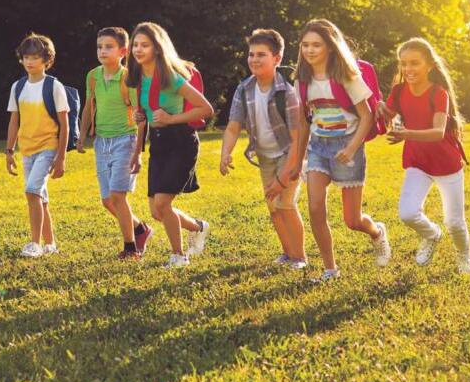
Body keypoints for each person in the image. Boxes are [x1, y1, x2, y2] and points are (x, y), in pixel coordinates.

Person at [294, 19, 391, 282]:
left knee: (353, 220)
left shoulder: (346, 75)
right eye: (305, 45)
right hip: (318, 147)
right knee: (315, 207)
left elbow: (367, 116)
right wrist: (298, 159)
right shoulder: (302, 80)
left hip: (348, 146)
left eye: (316, 45)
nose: (310, 50)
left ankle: (377, 232)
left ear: (330, 47)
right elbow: (303, 122)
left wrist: (351, 148)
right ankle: (330, 269)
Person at [378, 37, 470, 273]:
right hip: (418, 162)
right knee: (408, 213)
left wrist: (406, 133)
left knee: (454, 222)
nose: (408, 69)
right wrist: (379, 107)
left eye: (414, 63)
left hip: (447, 164)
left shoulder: (439, 93)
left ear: (429, 65)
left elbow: (438, 132)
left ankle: (464, 256)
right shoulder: (399, 91)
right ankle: (432, 234)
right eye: (404, 64)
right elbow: (388, 116)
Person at [126, 22, 214, 267]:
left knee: (163, 204)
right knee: (157, 211)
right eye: (135, 45)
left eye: (145, 45)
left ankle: (178, 256)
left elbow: (205, 108)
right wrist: (137, 153)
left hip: (181, 142)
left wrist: (171, 118)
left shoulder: (171, 77)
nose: (138, 49)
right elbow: (144, 119)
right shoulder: (138, 78)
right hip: (158, 144)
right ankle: (198, 227)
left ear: (157, 48)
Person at [220, 29, 307, 270]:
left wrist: (284, 176)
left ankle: (300, 257)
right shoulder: (244, 88)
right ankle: (287, 253)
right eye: (251, 54)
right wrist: (225, 153)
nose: (254, 59)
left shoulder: (287, 93)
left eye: (261, 55)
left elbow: (297, 140)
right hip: (265, 156)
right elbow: (233, 126)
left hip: (289, 154)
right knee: (273, 206)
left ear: (277, 58)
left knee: (285, 204)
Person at [76, 27, 152, 260]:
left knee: (118, 196)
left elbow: (141, 118)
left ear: (123, 51)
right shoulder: (93, 76)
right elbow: (89, 106)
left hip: (125, 141)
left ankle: (131, 248)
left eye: (108, 47)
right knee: (108, 201)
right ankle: (140, 229)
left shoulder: (129, 79)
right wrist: (81, 135)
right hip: (102, 143)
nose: (102, 51)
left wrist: (137, 153)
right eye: (100, 46)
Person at [4, 33, 70, 258]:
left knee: (32, 192)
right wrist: (9, 151)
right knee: (40, 198)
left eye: (35, 57)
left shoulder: (54, 86)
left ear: (47, 60)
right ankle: (50, 244)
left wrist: (61, 157)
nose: (30, 62)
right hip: (27, 150)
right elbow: (14, 121)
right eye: (26, 57)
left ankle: (35, 244)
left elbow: (64, 125)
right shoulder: (18, 87)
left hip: (48, 148)